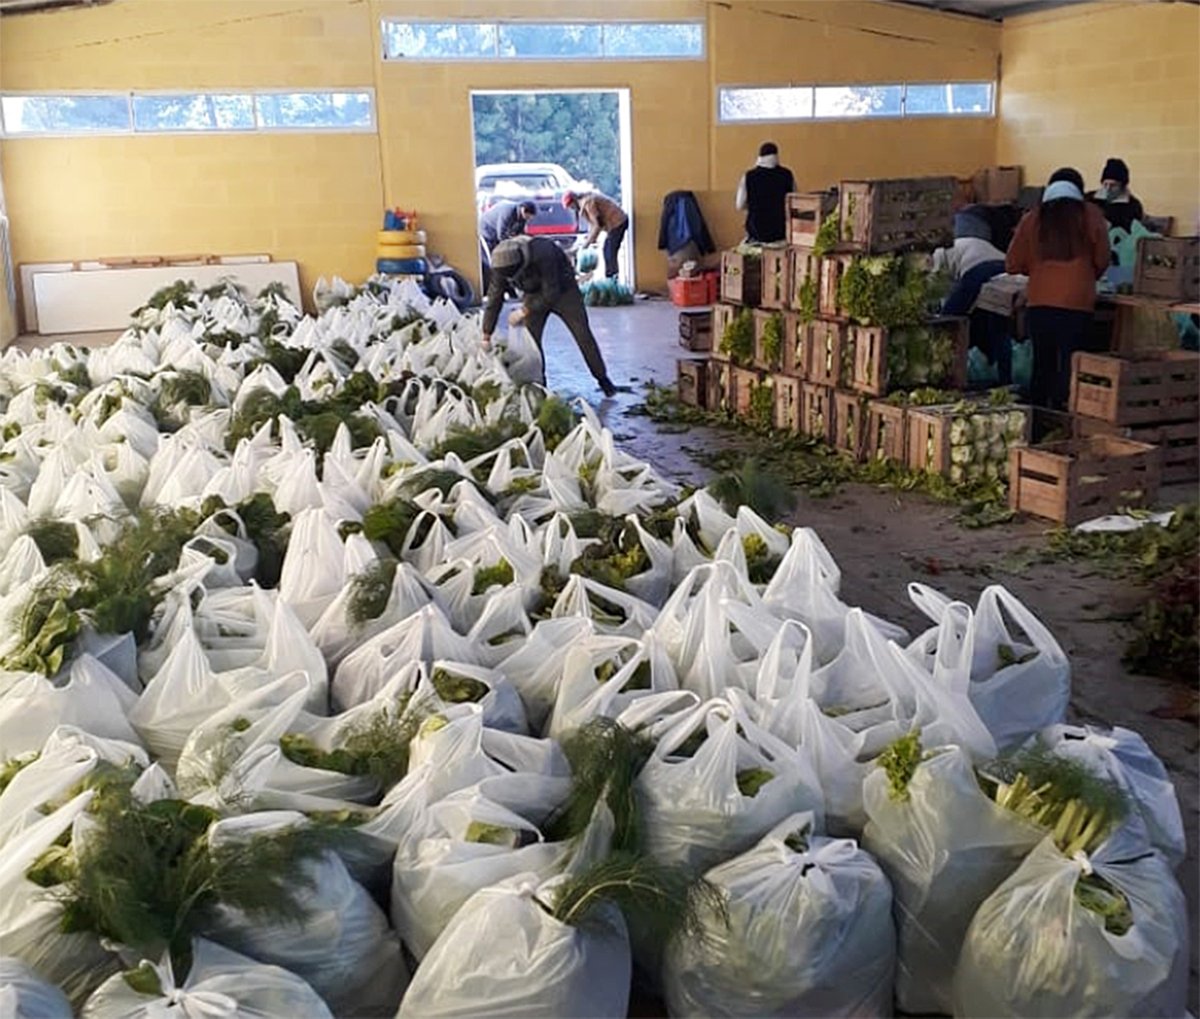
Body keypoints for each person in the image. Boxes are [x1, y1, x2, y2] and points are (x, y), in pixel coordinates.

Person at [1006, 168, 1110, 410]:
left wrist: (1036, 268)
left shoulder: (1033, 218)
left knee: (1042, 365)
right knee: (1072, 366)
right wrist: (1086, 274)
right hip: (1078, 304)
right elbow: (1103, 259)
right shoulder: (1091, 215)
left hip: (1040, 304)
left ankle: (1040, 421)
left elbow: (1012, 263)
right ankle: (1068, 419)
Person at [481, 235, 620, 397]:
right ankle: (539, 386)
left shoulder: (544, 252)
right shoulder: (501, 267)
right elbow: (494, 299)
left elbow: (551, 292)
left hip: (564, 291)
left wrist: (524, 311)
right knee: (531, 342)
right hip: (533, 293)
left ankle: (602, 379)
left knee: (582, 335)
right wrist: (486, 334)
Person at [934, 210, 1011, 383]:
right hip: (1004, 265)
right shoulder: (965, 242)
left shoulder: (939, 252)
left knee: (949, 320)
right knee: (998, 320)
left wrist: (939, 313)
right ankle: (1004, 377)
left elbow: (938, 286)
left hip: (978, 269)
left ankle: (948, 372)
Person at [735, 142, 795, 244]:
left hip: (756, 233)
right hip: (781, 233)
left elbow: (739, 205)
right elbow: (794, 202)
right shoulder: (787, 175)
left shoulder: (749, 176)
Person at [564, 191, 628, 279]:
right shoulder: (586, 202)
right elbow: (594, 225)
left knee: (609, 252)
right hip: (615, 224)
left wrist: (587, 243)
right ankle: (611, 278)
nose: (571, 209)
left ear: (573, 202)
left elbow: (597, 225)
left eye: (570, 206)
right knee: (607, 251)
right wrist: (588, 239)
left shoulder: (588, 203)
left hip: (618, 222)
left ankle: (612, 281)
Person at [1087, 158, 1144, 233]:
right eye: (1105, 184)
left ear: (1122, 186)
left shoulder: (1133, 206)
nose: (1108, 188)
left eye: (1113, 185)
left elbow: (1131, 230)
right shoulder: (1090, 199)